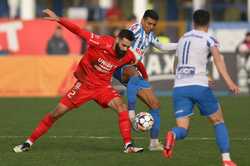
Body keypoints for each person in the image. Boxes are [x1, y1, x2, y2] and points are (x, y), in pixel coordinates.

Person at [13, 9, 144, 154]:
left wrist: (145, 79)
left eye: (128, 46)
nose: (125, 49)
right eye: (124, 45)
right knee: (56, 113)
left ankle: (128, 145)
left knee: (121, 107)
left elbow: (138, 63)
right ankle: (28, 142)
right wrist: (59, 19)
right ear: (117, 39)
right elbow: (78, 31)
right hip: (84, 85)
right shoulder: (101, 42)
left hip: (103, 87)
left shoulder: (127, 55)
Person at [162, 9, 240, 166]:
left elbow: (175, 64)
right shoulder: (209, 38)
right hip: (199, 86)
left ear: (193, 22)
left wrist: (181, 78)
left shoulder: (183, 38)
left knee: (182, 128)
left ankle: (173, 134)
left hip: (180, 87)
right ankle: (226, 160)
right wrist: (230, 82)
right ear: (208, 23)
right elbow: (218, 60)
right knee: (218, 121)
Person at [113, 9, 177, 151]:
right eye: (149, 23)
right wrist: (133, 54)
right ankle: (131, 113)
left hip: (135, 70)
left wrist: (180, 45)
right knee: (133, 72)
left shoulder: (150, 35)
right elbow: (123, 42)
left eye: (153, 25)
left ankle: (153, 143)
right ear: (142, 20)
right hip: (122, 67)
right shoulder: (135, 29)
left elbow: (161, 46)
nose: (151, 27)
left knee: (155, 105)